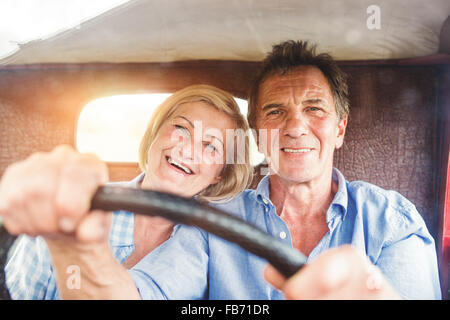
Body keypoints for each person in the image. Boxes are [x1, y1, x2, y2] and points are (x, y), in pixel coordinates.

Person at [0, 40, 441, 300]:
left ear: (340, 128)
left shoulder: (392, 222)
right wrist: (79, 247)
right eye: (275, 112)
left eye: (314, 109)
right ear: (257, 134)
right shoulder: (215, 221)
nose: (295, 126)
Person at [1, 84, 253, 299]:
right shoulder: (73, 203)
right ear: (155, 133)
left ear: (220, 173)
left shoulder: (212, 245)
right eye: (182, 129)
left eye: (211, 146)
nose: (187, 151)